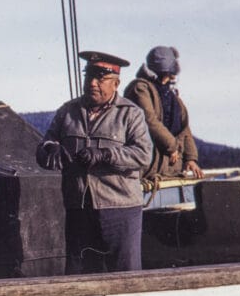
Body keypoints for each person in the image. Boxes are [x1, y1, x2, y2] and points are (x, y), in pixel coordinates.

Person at [36, 51, 153, 274]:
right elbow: (44, 146)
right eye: (89, 77)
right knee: (80, 281)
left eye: (101, 79)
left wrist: (105, 154)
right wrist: (51, 149)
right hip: (79, 211)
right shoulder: (67, 112)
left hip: (120, 211)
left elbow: (143, 154)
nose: (92, 83)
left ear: (116, 83)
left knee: (125, 278)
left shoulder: (130, 114)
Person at [123, 46, 204, 179]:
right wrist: (172, 147)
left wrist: (190, 158)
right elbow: (149, 120)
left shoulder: (173, 96)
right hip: (149, 169)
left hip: (171, 169)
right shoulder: (140, 88)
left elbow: (184, 128)